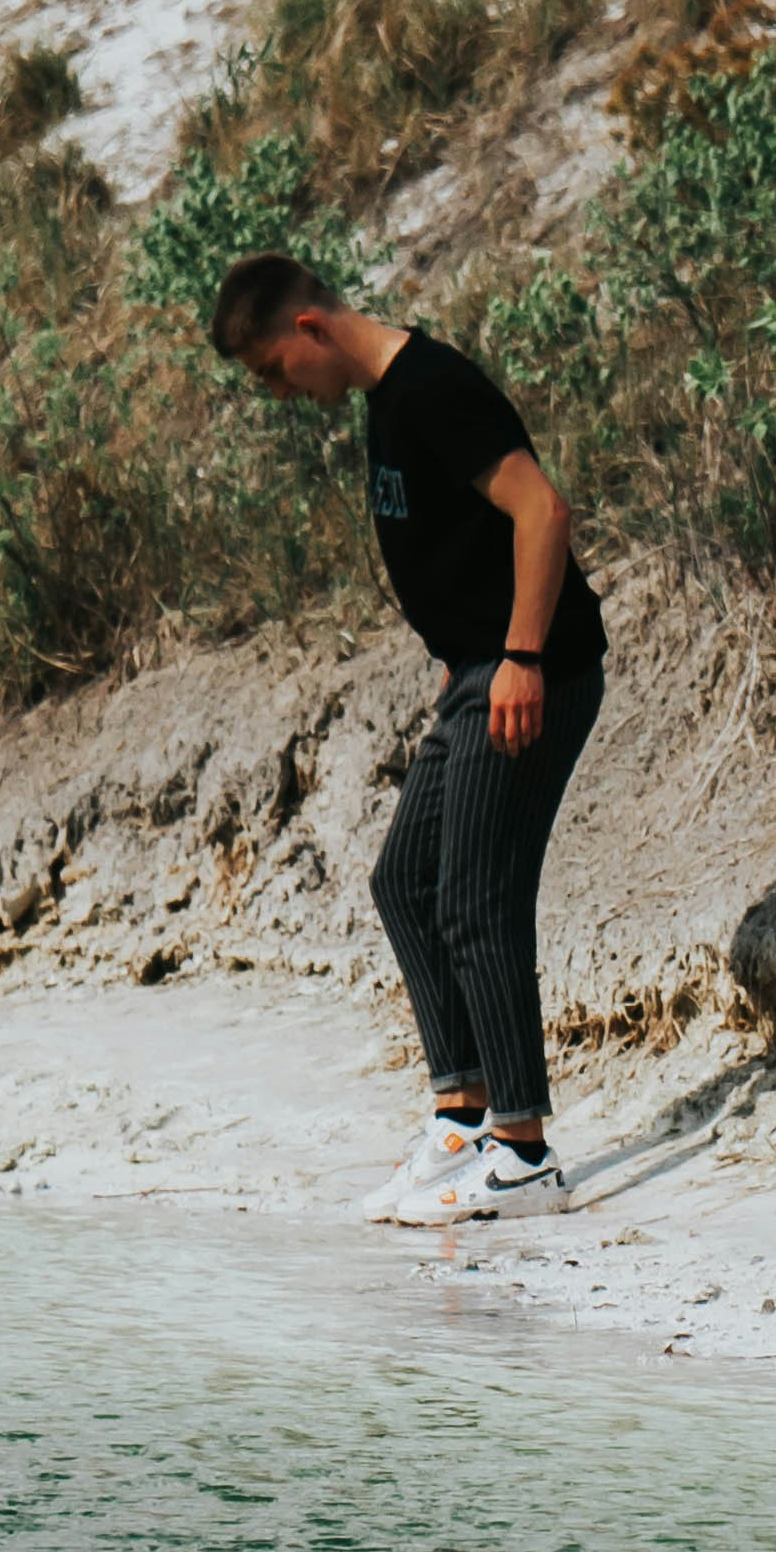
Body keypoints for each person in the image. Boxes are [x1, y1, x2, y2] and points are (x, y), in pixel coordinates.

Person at [208, 252, 606, 1223]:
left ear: (308, 330)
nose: (278, 393)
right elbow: (462, 540)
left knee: (476, 894)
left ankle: (524, 1152)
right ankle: (462, 1125)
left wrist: (518, 654)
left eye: (271, 371)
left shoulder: (431, 388)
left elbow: (541, 511)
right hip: (476, 671)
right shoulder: (385, 402)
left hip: (526, 672)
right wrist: (467, 648)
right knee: (405, 882)